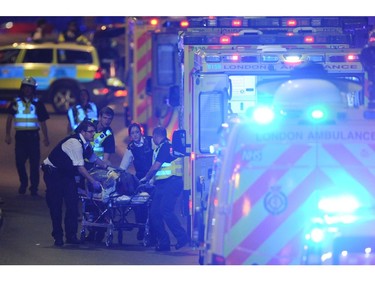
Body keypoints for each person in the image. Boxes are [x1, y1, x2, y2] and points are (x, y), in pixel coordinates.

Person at [42, 120, 109, 247]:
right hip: (53, 174)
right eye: (90, 132)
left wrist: (106, 166)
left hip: (66, 174)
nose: (93, 134)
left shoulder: (86, 144)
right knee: (56, 206)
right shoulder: (75, 143)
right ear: (82, 132)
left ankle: (71, 236)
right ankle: (58, 236)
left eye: (94, 131)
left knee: (72, 203)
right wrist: (92, 181)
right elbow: (80, 167)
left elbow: (94, 158)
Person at [140, 126, 188, 251]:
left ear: (156, 136)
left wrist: (145, 179)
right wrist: (152, 182)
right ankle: (164, 243)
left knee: (166, 210)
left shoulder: (166, 147)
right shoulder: (160, 148)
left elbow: (155, 167)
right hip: (162, 184)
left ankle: (182, 237)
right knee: (154, 213)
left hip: (172, 182)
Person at [5, 77, 50, 196]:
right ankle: (23, 183)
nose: (27, 90)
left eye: (30, 88)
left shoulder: (37, 103)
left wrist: (46, 137)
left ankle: (33, 188)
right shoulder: (16, 103)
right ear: (22, 88)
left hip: (33, 137)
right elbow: (9, 118)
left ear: (33, 89)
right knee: (19, 162)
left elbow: (43, 122)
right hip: (20, 137)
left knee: (34, 164)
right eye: (25, 87)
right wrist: (7, 134)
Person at [84, 106, 115, 243]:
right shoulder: (88, 123)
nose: (107, 121)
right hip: (82, 165)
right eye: (105, 117)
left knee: (98, 200)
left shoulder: (108, 134)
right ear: (100, 117)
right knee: (85, 199)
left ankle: (98, 231)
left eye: (110, 119)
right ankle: (90, 228)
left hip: (97, 169)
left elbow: (106, 158)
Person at [119, 122, 154, 241]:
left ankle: (152, 233)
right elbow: (123, 166)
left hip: (153, 177)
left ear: (141, 132)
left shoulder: (151, 141)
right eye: (132, 133)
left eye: (137, 132)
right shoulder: (131, 148)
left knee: (153, 207)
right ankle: (141, 228)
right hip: (140, 179)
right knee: (139, 205)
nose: (135, 135)